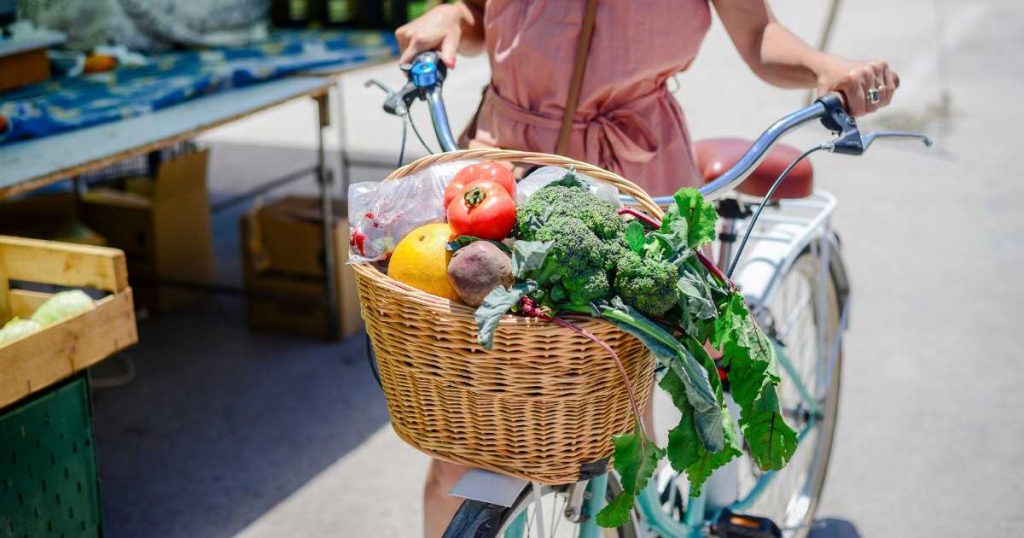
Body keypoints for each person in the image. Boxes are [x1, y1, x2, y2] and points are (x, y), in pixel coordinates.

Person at [396, 1, 899, 535]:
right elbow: (479, 13)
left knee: (619, 432)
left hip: (632, 184)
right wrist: (451, 17)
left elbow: (759, 36)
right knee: (461, 456)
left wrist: (825, 68)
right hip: (504, 171)